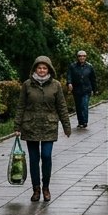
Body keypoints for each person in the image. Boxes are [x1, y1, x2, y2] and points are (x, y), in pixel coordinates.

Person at [14, 56, 72, 202]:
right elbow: (21, 106)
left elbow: (62, 107)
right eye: (39, 68)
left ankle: (46, 187)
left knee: (46, 156)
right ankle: (36, 189)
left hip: (48, 125)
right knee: (34, 159)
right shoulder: (27, 85)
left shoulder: (56, 85)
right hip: (30, 125)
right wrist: (17, 126)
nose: (41, 70)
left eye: (44, 68)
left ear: (49, 70)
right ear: (35, 69)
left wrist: (66, 126)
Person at [67, 50, 95, 129]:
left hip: (86, 89)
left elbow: (93, 79)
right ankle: (80, 122)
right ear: (77, 57)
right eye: (80, 56)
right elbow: (69, 76)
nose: (82, 57)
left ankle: (85, 121)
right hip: (76, 89)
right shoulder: (73, 66)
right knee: (78, 106)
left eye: (83, 56)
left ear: (86, 57)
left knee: (84, 105)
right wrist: (69, 83)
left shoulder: (89, 66)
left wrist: (94, 89)